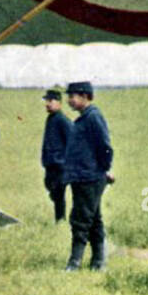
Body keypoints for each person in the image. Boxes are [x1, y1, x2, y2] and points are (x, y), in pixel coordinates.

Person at [61, 81, 114, 271]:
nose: (69, 100)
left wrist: (104, 169)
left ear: (85, 97)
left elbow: (105, 147)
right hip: (82, 176)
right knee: (94, 219)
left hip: (89, 177)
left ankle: (74, 263)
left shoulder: (93, 117)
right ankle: (99, 262)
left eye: (72, 96)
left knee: (80, 220)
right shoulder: (85, 118)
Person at [40, 88, 73, 223]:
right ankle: (60, 219)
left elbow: (73, 140)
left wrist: (63, 160)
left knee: (58, 193)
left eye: (51, 101)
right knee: (52, 190)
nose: (48, 104)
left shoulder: (62, 120)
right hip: (50, 164)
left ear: (59, 102)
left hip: (59, 165)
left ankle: (60, 220)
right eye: (46, 101)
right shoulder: (51, 118)